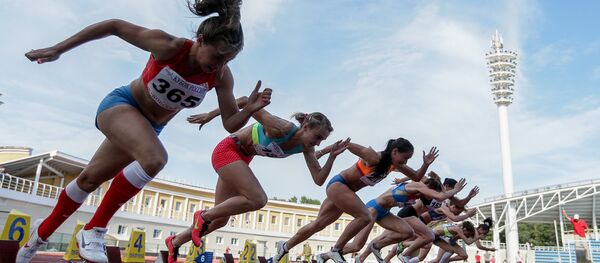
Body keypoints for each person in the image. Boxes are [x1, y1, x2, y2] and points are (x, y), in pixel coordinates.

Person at [17, 1, 271, 262]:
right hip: (122, 105)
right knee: (154, 159)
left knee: (88, 180)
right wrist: (59, 49)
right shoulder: (169, 46)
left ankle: (37, 237)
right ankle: (94, 230)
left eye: (227, 60)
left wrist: (249, 110)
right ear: (200, 39)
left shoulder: (221, 77)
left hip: (149, 127)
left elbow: (230, 123)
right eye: (217, 56)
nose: (219, 65)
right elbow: (114, 25)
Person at [165, 110, 350, 263]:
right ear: (306, 126)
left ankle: (175, 241)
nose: (318, 143)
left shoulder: (306, 148)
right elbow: (246, 102)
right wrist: (211, 115)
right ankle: (203, 216)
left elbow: (318, 178)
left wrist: (331, 155)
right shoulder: (283, 128)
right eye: (318, 137)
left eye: (322, 141)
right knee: (258, 199)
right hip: (228, 150)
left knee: (220, 220)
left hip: (242, 160)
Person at [274, 141, 440, 263]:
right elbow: (348, 145)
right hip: (339, 184)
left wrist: (425, 164)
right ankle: (336, 250)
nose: (405, 163)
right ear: (394, 151)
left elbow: (417, 176)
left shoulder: (393, 165)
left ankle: (285, 246)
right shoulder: (374, 157)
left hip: (346, 192)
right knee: (365, 217)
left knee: (318, 224)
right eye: (404, 158)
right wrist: (322, 153)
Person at [354, 174, 466, 263]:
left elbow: (459, 203)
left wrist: (469, 197)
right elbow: (416, 175)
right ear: (447, 186)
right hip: (409, 213)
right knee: (425, 239)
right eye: (454, 189)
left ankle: (364, 257)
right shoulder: (432, 188)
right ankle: (403, 254)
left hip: (415, 217)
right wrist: (400, 180)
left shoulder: (447, 199)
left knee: (389, 236)